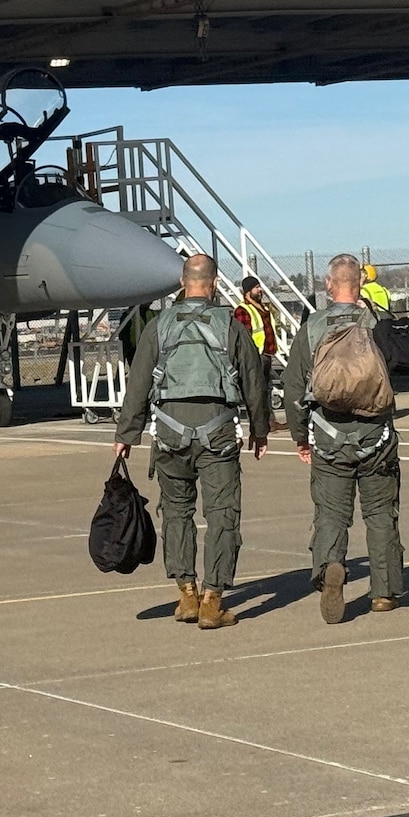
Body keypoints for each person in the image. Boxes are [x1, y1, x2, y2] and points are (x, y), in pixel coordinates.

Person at [114, 254, 270, 629]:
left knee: (176, 512)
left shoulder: (159, 327)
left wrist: (126, 435)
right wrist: (259, 429)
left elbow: (138, 384)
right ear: (213, 284)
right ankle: (213, 601)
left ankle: (187, 594)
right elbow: (253, 380)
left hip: (169, 434)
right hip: (217, 433)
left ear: (182, 284)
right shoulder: (230, 326)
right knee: (222, 515)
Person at [282, 254, 403, 624]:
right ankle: (383, 592)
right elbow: (399, 367)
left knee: (331, 515)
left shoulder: (314, 327)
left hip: (329, 438)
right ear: (361, 285)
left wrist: (301, 436)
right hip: (376, 436)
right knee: (381, 514)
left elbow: (292, 387)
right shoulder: (377, 322)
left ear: (330, 286)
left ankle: (331, 566)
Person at [233, 274, 278, 398]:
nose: (260, 290)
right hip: (255, 356)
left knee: (265, 389)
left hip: (266, 354)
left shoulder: (262, 308)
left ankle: (268, 416)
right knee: (257, 391)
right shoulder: (242, 311)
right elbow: (243, 337)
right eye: (257, 287)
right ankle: (261, 417)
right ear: (248, 291)